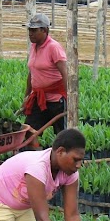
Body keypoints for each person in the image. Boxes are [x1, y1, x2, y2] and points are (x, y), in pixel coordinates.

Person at [22, 13, 67, 149]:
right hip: (39, 99)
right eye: (29, 30)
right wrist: (26, 96)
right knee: (29, 132)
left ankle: (65, 164)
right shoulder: (33, 47)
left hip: (56, 100)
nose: (30, 33)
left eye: (34, 30)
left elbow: (65, 74)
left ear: (45, 31)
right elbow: (32, 73)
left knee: (63, 136)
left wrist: (69, 98)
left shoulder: (54, 47)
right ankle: (33, 160)